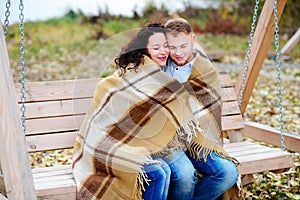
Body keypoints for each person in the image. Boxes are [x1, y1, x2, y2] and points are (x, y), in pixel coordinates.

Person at [72, 23, 197, 200]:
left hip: (156, 142)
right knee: (158, 173)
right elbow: (106, 117)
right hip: (118, 143)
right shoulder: (131, 74)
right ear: (144, 50)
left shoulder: (165, 72)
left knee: (184, 173)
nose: (163, 51)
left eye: (165, 46)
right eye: (156, 47)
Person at [164, 17, 240, 200]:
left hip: (199, 140)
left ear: (193, 39)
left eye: (183, 46)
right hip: (166, 140)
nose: (178, 53)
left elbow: (207, 112)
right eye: (172, 47)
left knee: (228, 173)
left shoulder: (205, 70)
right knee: (184, 175)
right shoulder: (158, 65)